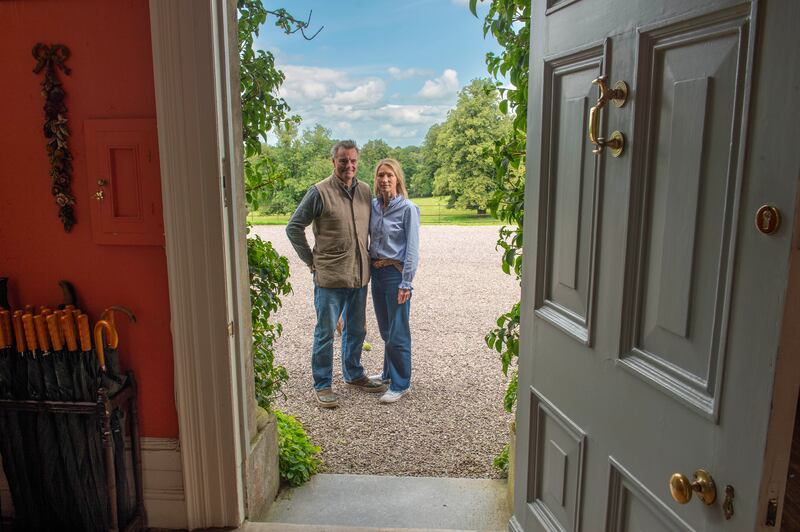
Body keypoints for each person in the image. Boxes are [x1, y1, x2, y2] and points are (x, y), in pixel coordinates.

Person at [285, 140, 388, 408]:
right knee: (326, 332)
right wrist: (311, 261)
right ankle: (322, 384)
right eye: (343, 160)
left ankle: (353, 374)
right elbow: (294, 227)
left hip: (359, 276)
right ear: (334, 162)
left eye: (353, 161)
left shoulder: (365, 191)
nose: (349, 166)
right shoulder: (319, 192)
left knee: (357, 329)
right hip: (330, 277)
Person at [368, 158, 420, 403]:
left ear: (397, 178)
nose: (385, 180)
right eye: (380, 175)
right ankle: (389, 373)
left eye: (389, 175)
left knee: (398, 331)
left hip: (395, 274)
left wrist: (406, 283)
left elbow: (412, 249)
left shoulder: (408, 208)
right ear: (376, 180)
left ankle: (401, 383)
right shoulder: (373, 207)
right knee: (386, 330)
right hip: (376, 273)